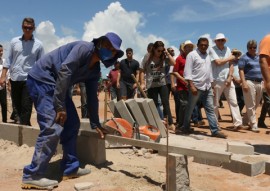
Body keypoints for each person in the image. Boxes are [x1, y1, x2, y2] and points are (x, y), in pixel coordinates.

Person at [19, 32, 124, 189]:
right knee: (52, 126)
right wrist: (60, 106)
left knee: (73, 123)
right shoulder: (83, 48)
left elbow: (92, 97)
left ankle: (70, 167)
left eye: (112, 50)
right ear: (99, 43)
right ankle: (32, 175)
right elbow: (65, 71)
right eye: (107, 45)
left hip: (58, 85)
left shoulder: (94, 71)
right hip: (42, 79)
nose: (109, 50)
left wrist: (95, 123)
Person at [0, 17, 44, 126]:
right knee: (17, 107)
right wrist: (3, 76)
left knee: (26, 106)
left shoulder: (39, 45)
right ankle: (23, 128)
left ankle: (24, 132)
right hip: (15, 78)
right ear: (22, 27)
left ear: (34, 28)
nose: (27, 30)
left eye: (30, 28)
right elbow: (8, 59)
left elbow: (41, 64)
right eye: (25, 27)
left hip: (29, 79)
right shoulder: (14, 41)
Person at [183, 37, 227, 138]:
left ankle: (215, 131)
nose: (203, 47)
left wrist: (211, 86)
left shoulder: (208, 56)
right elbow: (187, 72)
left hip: (207, 87)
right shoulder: (192, 55)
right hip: (196, 87)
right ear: (198, 45)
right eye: (202, 45)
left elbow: (209, 72)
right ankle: (185, 127)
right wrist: (191, 85)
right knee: (190, 108)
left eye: (206, 45)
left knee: (210, 109)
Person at [209, 33, 244, 130]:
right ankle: (215, 124)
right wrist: (230, 58)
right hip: (216, 79)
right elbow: (218, 62)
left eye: (222, 40)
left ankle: (238, 123)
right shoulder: (212, 49)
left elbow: (231, 65)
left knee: (233, 101)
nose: (221, 42)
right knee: (215, 104)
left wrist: (230, 77)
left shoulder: (228, 49)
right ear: (215, 41)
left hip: (227, 79)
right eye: (219, 40)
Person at [140, 41, 175, 131]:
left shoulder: (164, 56)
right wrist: (142, 83)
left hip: (162, 83)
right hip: (151, 84)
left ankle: (170, 123)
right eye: (158, 51)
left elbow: (173, 63)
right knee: (153, 104)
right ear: (154, 49)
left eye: (161, 50)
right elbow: (142, 70)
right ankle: (154, 123)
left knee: (165, 103)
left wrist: (167, 53)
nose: (160, 53)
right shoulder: (147, 56)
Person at [239, 40, 263, 132]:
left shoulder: (259, 57)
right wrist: (244, 82)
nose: (252, 49)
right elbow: (241, 70)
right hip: (249, 82)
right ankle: (253, 124)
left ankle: (244, 120)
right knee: (250, 104)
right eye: (250, 47)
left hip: (259, 82)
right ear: (247, 48)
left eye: (254, 47)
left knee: (256, 104)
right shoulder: (244, 57)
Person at [171, 40, 194, 133]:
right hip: (182, 86)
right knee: (183, 105)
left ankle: (186, 125)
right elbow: (175, 71)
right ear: (184, 48)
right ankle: (180, 125)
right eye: (188, 47)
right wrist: (183, 80)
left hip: (192, 86)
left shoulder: (193, 58)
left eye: (191, 47)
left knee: (190, 106)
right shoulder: (179, 58)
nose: (189, 48)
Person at [0, 45, 7, 123]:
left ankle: (4, 122)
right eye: (0, 51)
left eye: (2, 51)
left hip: (2, 86)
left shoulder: (5, 61)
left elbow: (7, 73)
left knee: (4, 104)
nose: (1, 53)